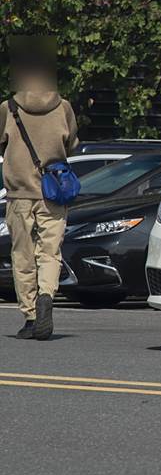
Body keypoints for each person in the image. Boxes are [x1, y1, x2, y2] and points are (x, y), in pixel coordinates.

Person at [0, 86, 79, 340]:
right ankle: (46, 295)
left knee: (22, 254)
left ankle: (31, 316)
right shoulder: (63, 107)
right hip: (53, 191)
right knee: (50, 252)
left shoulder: (7, 108)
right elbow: (72, 145)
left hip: (20, 193)